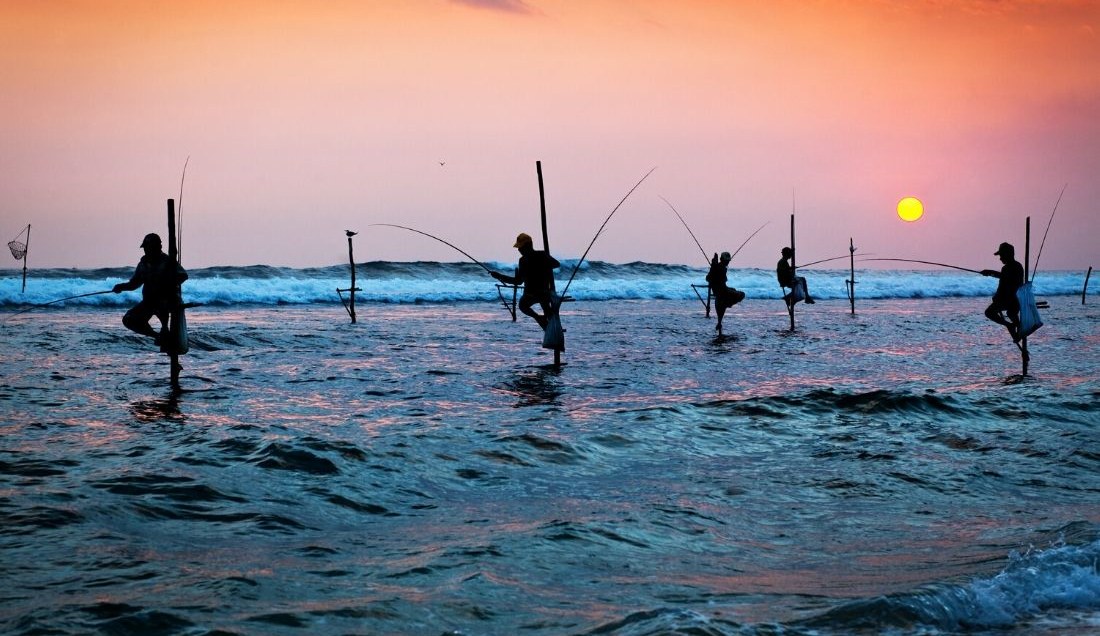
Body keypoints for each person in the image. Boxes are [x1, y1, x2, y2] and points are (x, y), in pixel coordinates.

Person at [112, 233, 188, 345]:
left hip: (166, 301)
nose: (146, 250)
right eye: (145, 248)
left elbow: (183, 275)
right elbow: (134, 284)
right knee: (129, 319)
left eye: (149, 247)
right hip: (149, 302)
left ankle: (165, 331)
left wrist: (167, 283)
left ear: (158, 247)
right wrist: (121, 287)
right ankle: (157, 336)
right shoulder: (143, 264)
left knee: (163, 309)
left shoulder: (168, 261)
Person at [490, 232, 560, 330]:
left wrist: (499, 276)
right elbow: (556, 264)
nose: (519, 250)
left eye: (520, 247)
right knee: (546, 309)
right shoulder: (542, 254)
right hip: (544, 294)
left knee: (523, 306)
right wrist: (545, 264)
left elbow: (518, 281)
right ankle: (545, 322)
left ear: (527, 246)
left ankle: (540, 319)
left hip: (532, 294)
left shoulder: (524, 260)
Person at [981, 241, 1024, 343]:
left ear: (1008, 254)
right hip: (1015, 300)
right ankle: (1017, 329)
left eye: (1001, 255)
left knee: (989, 312)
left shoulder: (1012, 267)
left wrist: (990, 272)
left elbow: (1006, 282)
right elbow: (1003, 279)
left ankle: (1011, 325)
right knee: (1011, 313)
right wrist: (990, 273)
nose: (1000, 258)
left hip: (1011, 300)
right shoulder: (1015, 266)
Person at [706, 251, 746, 333]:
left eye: (728, 261)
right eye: (726, 261)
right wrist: (713, 268)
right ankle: (727, 304)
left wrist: (714, 267)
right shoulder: (720, 268)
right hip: (721, 291)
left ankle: (725, 307)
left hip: (721, 290)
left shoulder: (719, 267)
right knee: (742, 294)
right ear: (722, 260)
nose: (727, 262)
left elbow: (710, 278)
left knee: (734, 291)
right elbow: (710, 278)